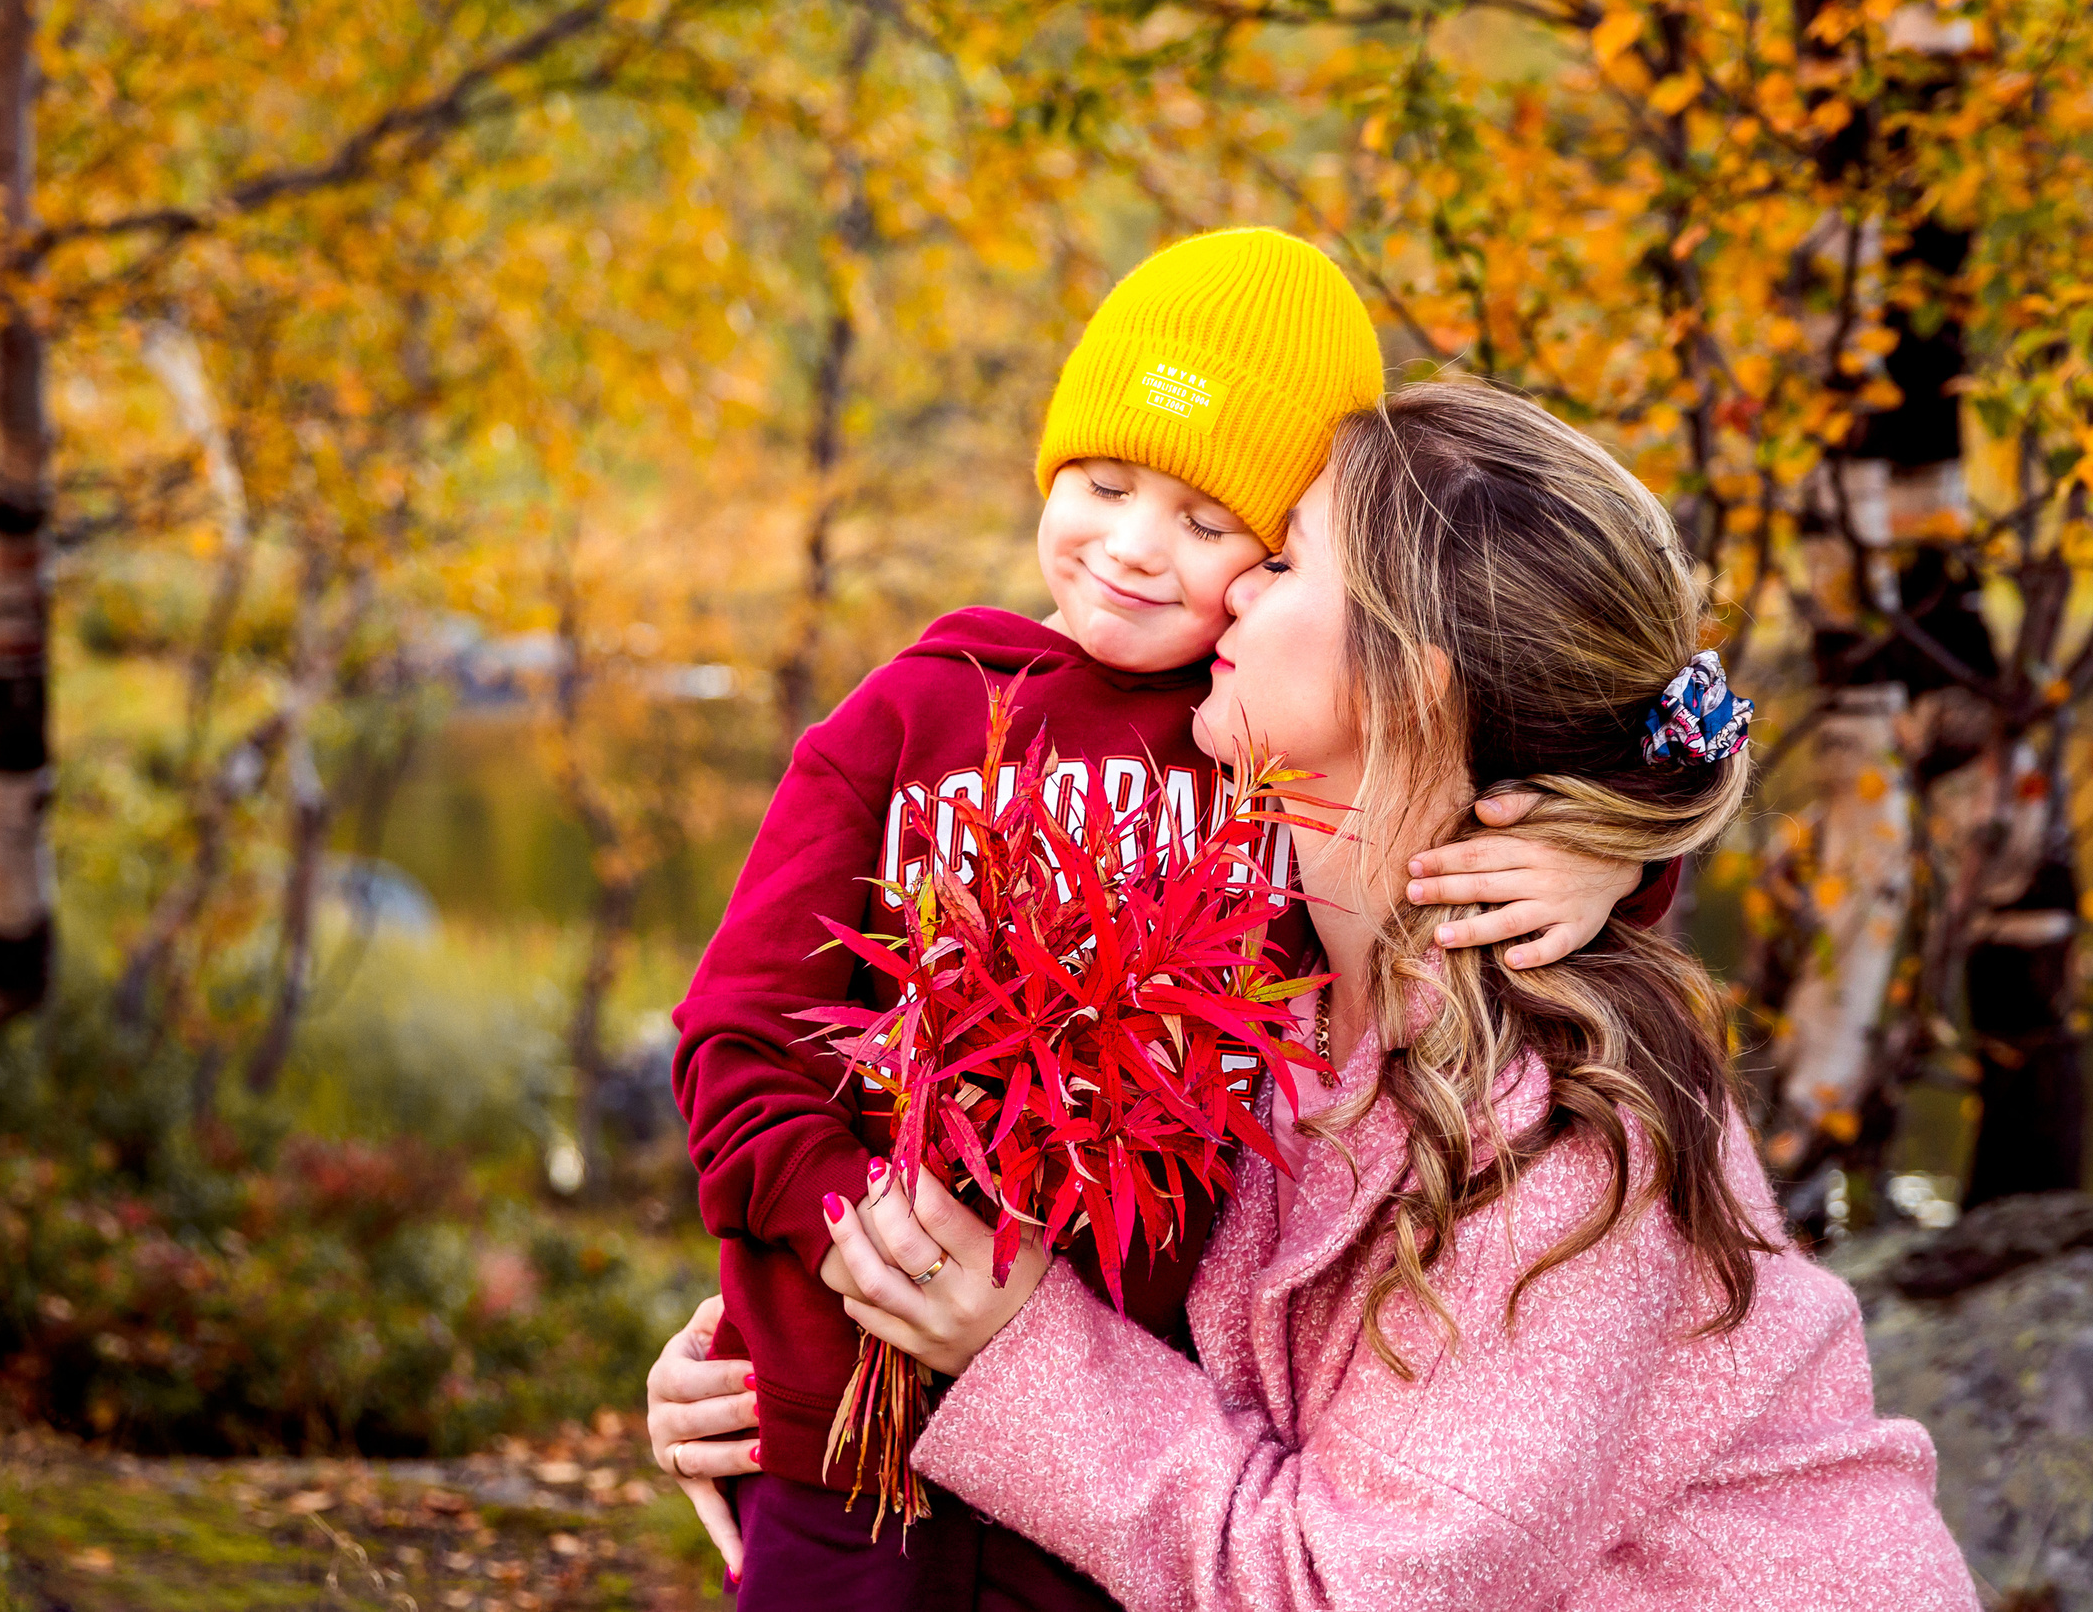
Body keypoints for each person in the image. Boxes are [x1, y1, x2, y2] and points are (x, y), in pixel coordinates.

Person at [657, 379, 1980, 1609]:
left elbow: (1352, 1590)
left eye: (1278, 560)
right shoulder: (1253, 942)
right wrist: (808, 1381)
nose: (1219, 588)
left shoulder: (1567, 1133)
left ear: (1410, 682)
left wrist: (1006, 1350)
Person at [671, 240, 1668, 1608]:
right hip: (843, 1426)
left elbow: (1496, 787)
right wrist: (835, 1223)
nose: (1136, 548)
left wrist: (1612, 857)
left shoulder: (1264, 743)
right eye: (1102, 485)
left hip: (1095, 1439)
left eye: (1209, 525)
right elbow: (739, 1030)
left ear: (1276, 559)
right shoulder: (913, 714)